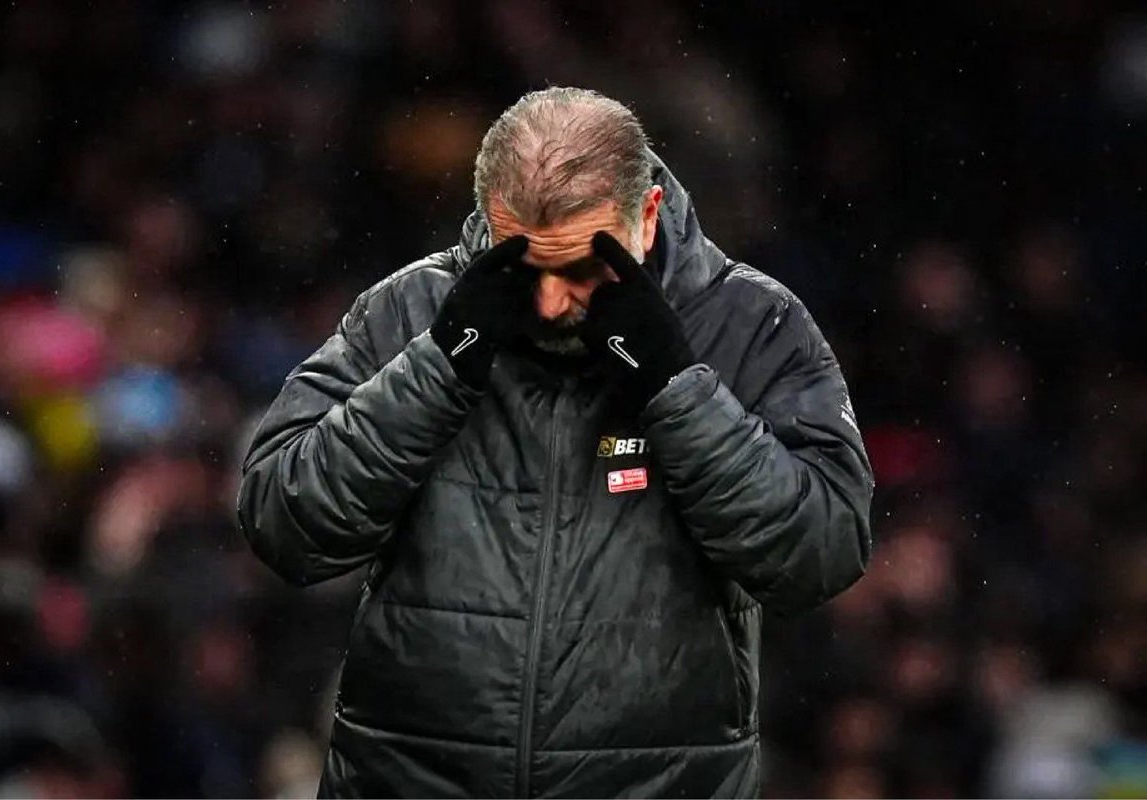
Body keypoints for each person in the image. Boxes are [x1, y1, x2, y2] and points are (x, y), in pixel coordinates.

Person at [237, 86, 873, 798]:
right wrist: (441, 365)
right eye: (523, 265)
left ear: (648, 216)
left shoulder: (752, 323)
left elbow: (822, 552)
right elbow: (283, 521)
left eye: (579, 269)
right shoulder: (412, 310)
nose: (548, 302)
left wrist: (675, 388)